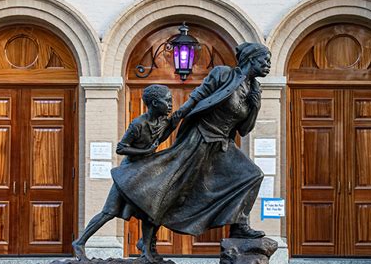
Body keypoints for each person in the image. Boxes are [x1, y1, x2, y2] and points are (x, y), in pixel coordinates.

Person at [112, 42, 271, 241]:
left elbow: (244, 130)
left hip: (222, 143)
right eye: (264, 60)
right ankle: (147, 241)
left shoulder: (254, 89)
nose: (268, 64)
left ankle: (239, 225)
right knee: (176, 187)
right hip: (200, 137)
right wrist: (178, 115)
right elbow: (199, 95)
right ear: (251, 59)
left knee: (252, 175)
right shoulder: (223, 74)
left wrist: (254, 107)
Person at [72, 84, 185, 263]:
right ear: (155, 103)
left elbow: (160, 137)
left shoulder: (163, 121)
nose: (171, 104)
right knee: (109, 212)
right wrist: (145, 152)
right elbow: (121, 148)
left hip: (146, 172)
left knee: (150, 211)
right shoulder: (138, 124)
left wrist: (173, 124)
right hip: (128, 174)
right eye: (167, 101)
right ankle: (80, 242)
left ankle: (146, 249)